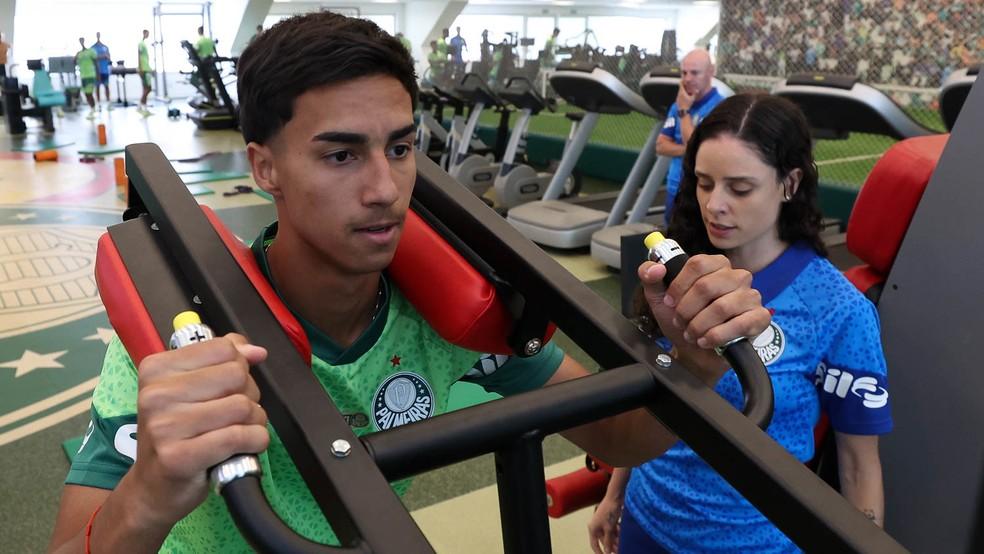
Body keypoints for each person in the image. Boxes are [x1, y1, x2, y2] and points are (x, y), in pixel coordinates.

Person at [47, 13, 768, 552]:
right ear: (265, 168)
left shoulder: (445, 314)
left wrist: (692, 351)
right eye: (340, 156)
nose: (385, 187)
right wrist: (151, 489)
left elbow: (618, 438)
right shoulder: (185, 330)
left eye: (400, 147)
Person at [587, 94, 893, 554]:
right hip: (646, 524)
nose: (714, 205)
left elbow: (858, 466)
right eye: (705, 184)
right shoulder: (675, 268)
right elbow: (653, 395)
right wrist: (615, 494)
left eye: (740, 188)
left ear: (789, 183)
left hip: (755, 544)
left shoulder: (838, 309)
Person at [656, 48, 726, 223]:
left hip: (700, 192)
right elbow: (661, 146)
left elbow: (696, 149)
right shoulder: (679, 104)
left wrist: (684, 111)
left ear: (711, 72)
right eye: (684, 73)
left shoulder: (719, 107)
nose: (687, 78)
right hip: (674, 187)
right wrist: (686, 149)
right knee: (671, 240)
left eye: (694, 73)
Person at [74, 37, 98, 118]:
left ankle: (93, 109)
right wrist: (75, 57)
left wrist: (98, 75)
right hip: (83, 76)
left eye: (82, 40)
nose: (81, 42)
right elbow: (74, 63)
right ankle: (92, 108)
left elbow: (96, 63)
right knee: (86, 94)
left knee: (89, 93)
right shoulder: (79, 54)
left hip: (90, 75)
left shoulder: (91, 51)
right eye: (80, 40)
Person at [92, 32, 112, 105]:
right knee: (97, 87)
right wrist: (102, 56)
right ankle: (98, 103)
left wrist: (104, 57)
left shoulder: (105, 47)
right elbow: (93, 59)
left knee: (106, 86)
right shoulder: (92, 48)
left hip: (105, 71)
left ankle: (108, 102)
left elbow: (109, 58)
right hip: (97, 72)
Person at [137, 29, 153, 116]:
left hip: (146, 68)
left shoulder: (144, 44)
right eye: (147, 33)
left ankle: (144, 108)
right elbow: (138, 55)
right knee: (148, 88)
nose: (148, 35)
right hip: (144, 69)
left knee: (145, 89)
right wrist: (140, 68)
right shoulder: (141, 44)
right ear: (144, 33)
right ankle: (139, 106)